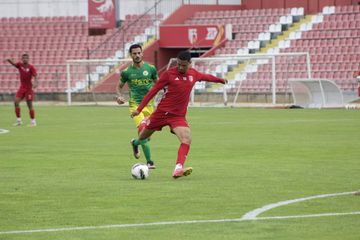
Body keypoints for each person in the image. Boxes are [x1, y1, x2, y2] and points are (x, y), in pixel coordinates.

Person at [130, 51, 227, 179]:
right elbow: (153, 91)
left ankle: (178, 169)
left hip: (178, 117)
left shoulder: (194, 74)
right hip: (161, 113)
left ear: (189, 64)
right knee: (143, 138)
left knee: (186, 139)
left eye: (184, 65)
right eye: (179, 64)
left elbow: (206, 77)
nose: (180, 68)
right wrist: (139, 109)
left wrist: (220, 80)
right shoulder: (169, 74)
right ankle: (135, 143)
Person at [116, 44, 158, 169]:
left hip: (150, 106)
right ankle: (150, 162)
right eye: (134, 53)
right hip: (135, 106)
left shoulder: (151, 69)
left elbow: (159, 84)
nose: (137, 55)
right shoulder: (127, 72)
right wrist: (119, 96)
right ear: (131, 55)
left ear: (142, 53)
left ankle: (135, 143)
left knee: (147, 137)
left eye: (139, 53)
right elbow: (119, 86)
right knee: (143, 129)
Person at [5, 53, 38, 127]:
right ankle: (19, 121)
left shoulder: (31, 67)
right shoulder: (20, 65)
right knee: (16, 102)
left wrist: (36, 83)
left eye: (26, 58)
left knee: (29, 105)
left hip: (29, 89)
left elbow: (35, 76)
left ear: (28, 59)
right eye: (23, 58)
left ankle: (33, 122)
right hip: (22, 88)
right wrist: (9, 60)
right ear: (22, 59)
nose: (25, 59)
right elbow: (14, 64)